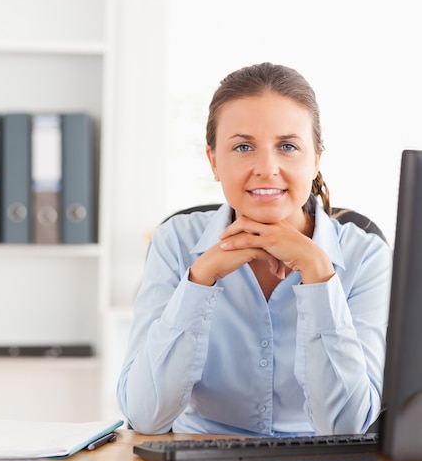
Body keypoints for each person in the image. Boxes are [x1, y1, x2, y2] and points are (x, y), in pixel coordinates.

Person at [117, 62, 392, 437]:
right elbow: (146, 416)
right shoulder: (176, 243)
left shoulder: (367, 258)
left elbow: (346, 426)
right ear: (214, 160)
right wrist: (200, 281)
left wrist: (317, 273)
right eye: (243, 146)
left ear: (315, 160)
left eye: (288, 146)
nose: (266, 168)